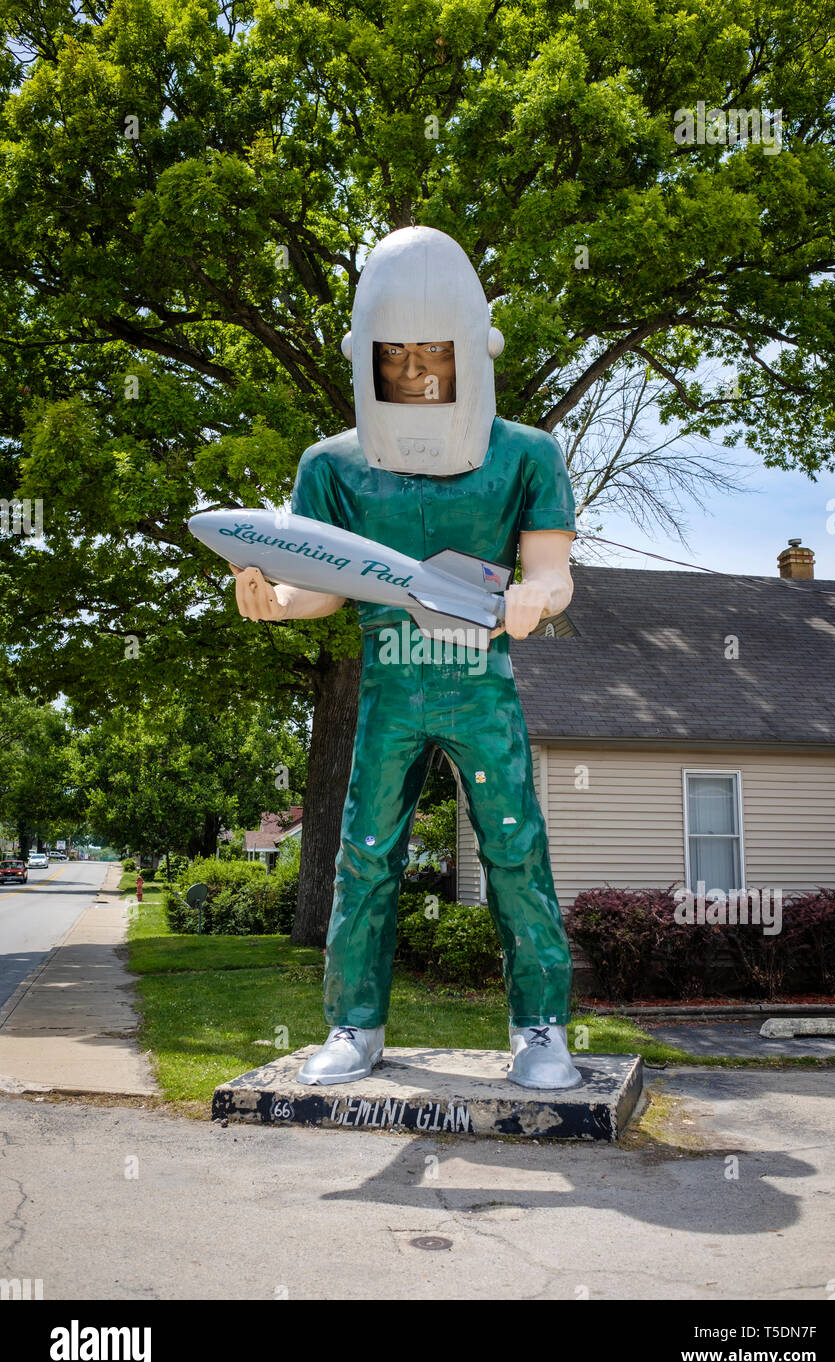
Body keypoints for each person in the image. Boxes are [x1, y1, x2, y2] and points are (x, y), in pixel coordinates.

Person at [231, 226, 579, 1089]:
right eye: (398, 360)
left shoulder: (527, 454)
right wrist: (275, 604)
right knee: (364, 852)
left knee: (514, 849)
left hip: (480, 679)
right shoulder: (332, 468)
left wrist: (536, 596)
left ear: (475, 345)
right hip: (389, 679)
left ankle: (541, 1029)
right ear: (364, 355)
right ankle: (355, 1027)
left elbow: (549, 571)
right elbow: (325, 584)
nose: (417, 375)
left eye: (433, 356)